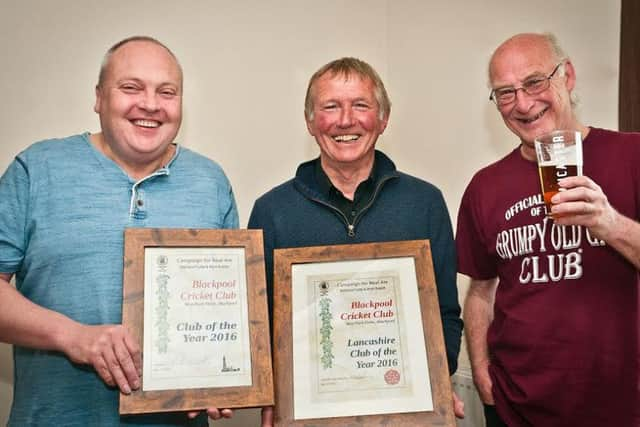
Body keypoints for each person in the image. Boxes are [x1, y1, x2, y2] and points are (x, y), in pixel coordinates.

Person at [0, 36, 238, 426]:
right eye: (130, 88)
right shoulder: (35, 170)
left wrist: (224, 374)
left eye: (167, 91)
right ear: (98, 98)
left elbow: (226, 309)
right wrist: (74, 337)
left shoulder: (210, 182)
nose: (150, 104)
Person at [249, 57, 464, 424]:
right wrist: (273, 393)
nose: (345, 120)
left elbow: (445, 316)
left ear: (383, 119)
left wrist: (435, 384)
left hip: (406, 414)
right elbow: (260, 329)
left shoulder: (425, 202)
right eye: (330, 106)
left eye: (360, 105)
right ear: (310, 121)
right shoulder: (271, 211)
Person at [457, 32, 640, 427]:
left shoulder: (632, 156)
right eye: (505, 93)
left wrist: (610, 222)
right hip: (517, 407)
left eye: (535, 82)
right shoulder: (484, 187)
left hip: (622, 404)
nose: (523, 103)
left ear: (568, 76)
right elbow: (480, 290)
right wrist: (481, 367)